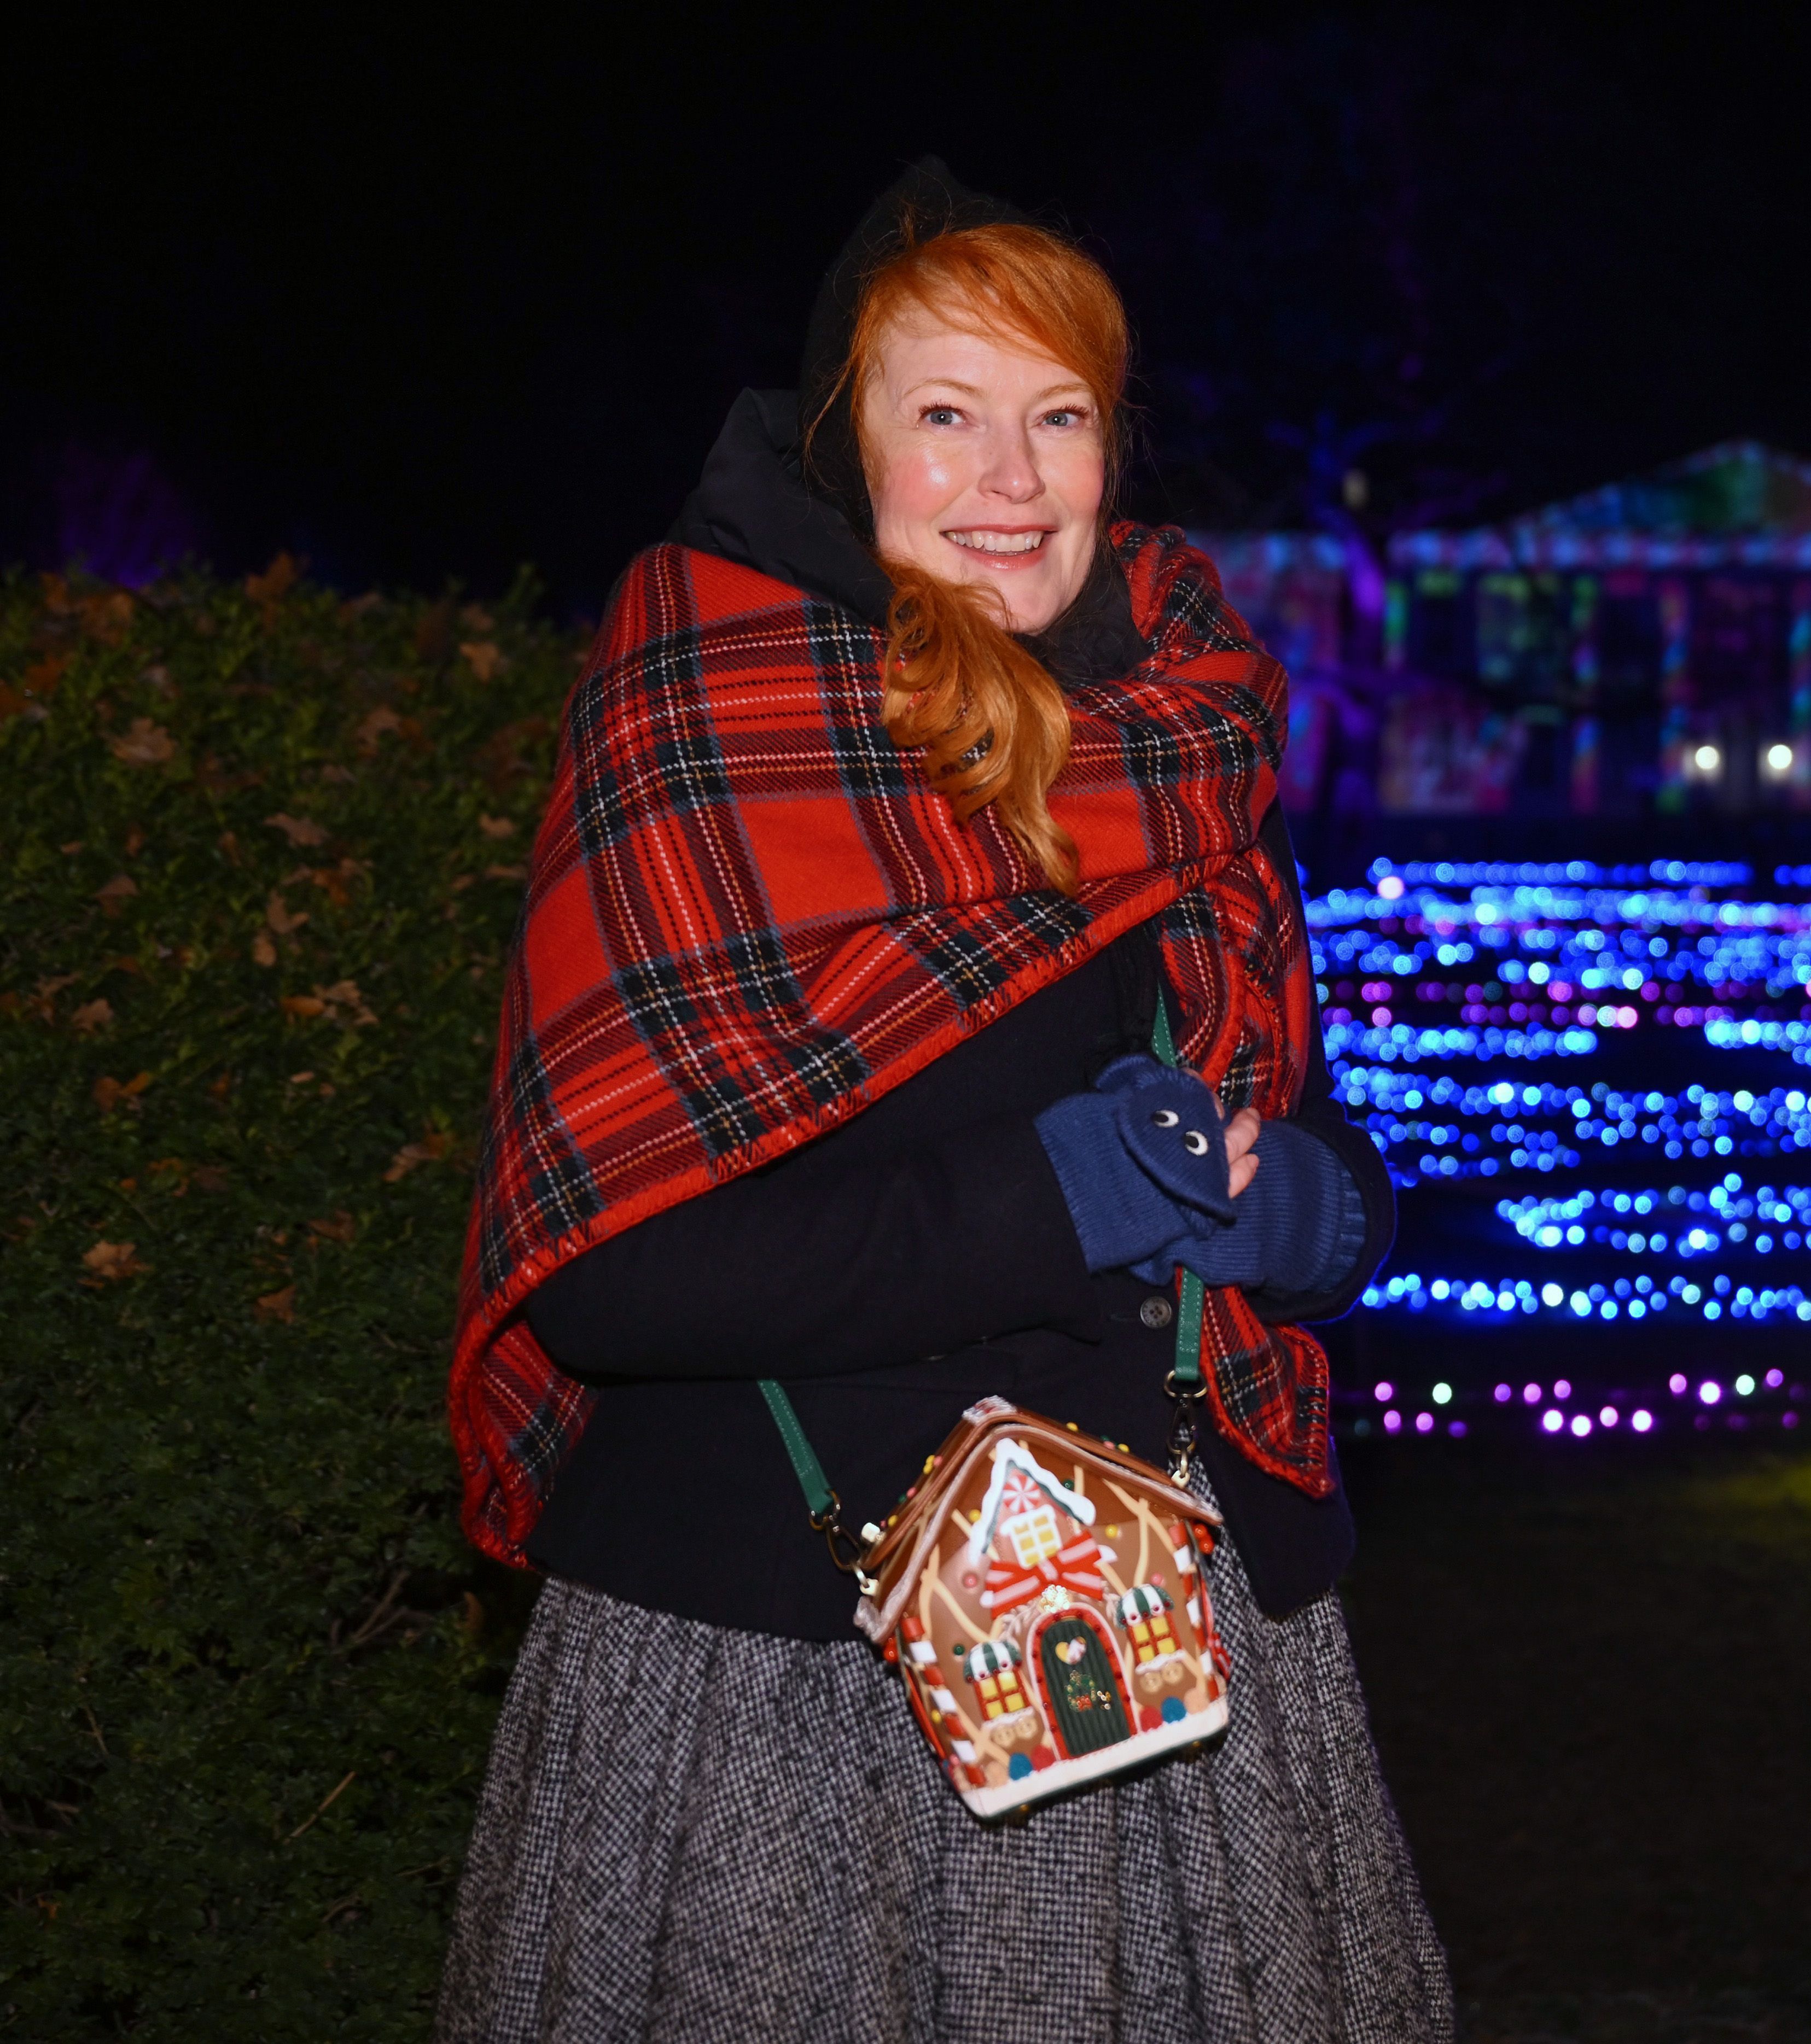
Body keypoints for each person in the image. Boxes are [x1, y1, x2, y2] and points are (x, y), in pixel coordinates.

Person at [435, 162, 1452, 2043]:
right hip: (781, 1694)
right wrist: (1058, 1197)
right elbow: (614, 1270)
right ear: (845, 447)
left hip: (1182, 1673)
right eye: (947, 415)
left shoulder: (1192, 715)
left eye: (1058, 416)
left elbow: (1289, 1118)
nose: (1012, 477)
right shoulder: (700, 719)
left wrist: (1319, 1216)